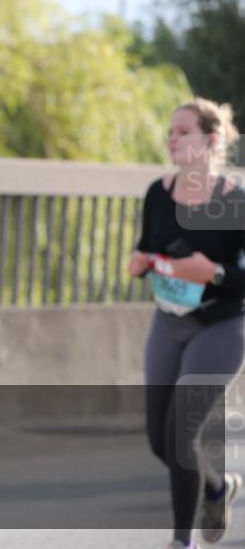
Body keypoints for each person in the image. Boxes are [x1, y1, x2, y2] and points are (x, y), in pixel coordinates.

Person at [127, 98, 245, 549]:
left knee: (181, 435)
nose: (172, 140)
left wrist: (213, 272)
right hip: (168, 321)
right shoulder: (158, 193)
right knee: (160, 441)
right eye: (170, 133)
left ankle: (182, 542)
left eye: (182, 132)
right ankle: (218, 485)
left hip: (221, 326)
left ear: (211, 141)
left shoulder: (234, 201)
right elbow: (147, 245)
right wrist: (140, 262)